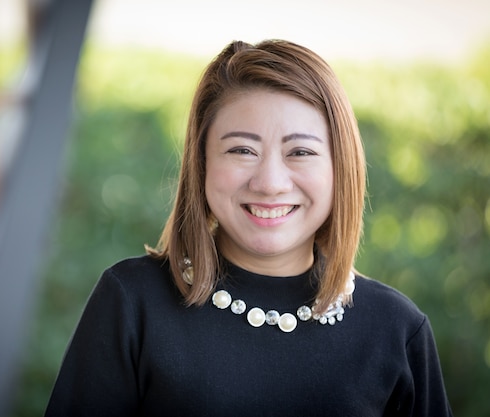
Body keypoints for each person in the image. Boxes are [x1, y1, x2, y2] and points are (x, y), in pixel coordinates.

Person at [44, 39, 453, 416]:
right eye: (242, 150)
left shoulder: (397, 330)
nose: (271, 183)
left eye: (301, 151)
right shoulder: (132, 302)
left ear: (339, 169)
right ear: (202, 164)